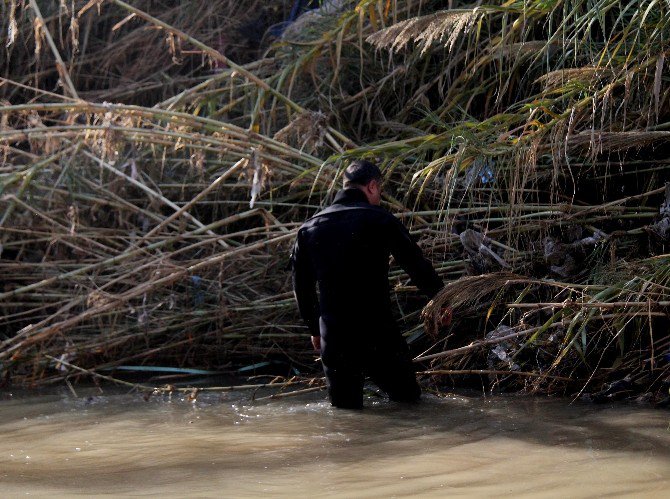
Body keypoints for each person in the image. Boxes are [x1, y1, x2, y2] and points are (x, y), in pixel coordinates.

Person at [291, 159, 445, 409]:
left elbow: (302, 287)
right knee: (409, 404)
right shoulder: (380, 219)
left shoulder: (310, 228)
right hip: (378, 331)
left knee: (346, 414)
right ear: (372, 186)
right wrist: (441, 300)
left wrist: (314, 329)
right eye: (380, 192)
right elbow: (417, 266)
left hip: (335, 335)